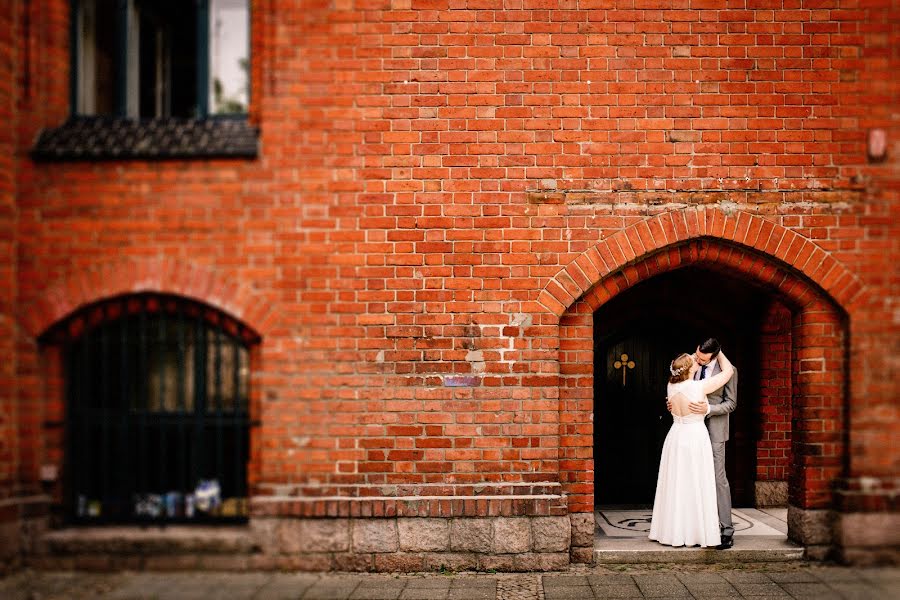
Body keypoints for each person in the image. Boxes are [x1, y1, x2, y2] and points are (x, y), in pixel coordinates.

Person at [648, 349, 735, 548]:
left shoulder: (670, 385)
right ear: (689, 369)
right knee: (696, 482)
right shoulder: (698, 387)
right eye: (694, 360)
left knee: (677, 483)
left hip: (676, 436)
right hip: (695, 437)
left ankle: (673, 532)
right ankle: (696, 532)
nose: (697, 361)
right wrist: (718, 352)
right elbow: (728, 372)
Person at [689, 338, 738, 549]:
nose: (698, 360)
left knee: (719, 479)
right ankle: (695, 528)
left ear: (714, 356)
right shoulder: (690, 362)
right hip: (691, 428)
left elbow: (731, 404)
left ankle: (726, 529)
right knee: (693, 476)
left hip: (715, 431)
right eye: (698, 354)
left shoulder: (728, 371)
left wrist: (708, 409)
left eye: (703, 358)